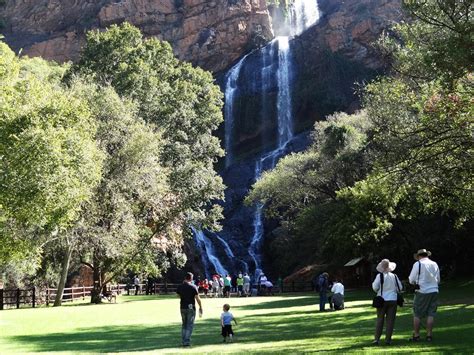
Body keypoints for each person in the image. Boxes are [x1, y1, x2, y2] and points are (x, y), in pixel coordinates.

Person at [408, 249, 440, 342]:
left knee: (417, 314)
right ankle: (429, 335)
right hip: (434, 290)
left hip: (422, 291)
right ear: (427, 255)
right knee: (431, 313)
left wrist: (414, 282)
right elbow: (438, 279)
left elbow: (411, 279)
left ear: (419, 256)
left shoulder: (417, 264)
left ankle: (417, 335)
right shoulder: (434, 264)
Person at [372, 259, 403, 345]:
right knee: (390, 321)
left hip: (382, 299)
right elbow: (400, 288)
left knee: (380, 319)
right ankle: (388, 340)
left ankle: (376, 339)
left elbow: (375, 287)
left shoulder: (379, 276)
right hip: (393, 299)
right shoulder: (394, 276)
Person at [176, 272, 203, 347]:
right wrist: (200, 307)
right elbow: (198, 298)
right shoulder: (193, 287)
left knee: (184, 324)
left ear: (185, 277)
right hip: (191, 307)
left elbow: (178, 295)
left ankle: (183, 340)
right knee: (189, 325)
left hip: (182, 307)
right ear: (191, 278)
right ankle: (186, 342)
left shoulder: (180, 286)